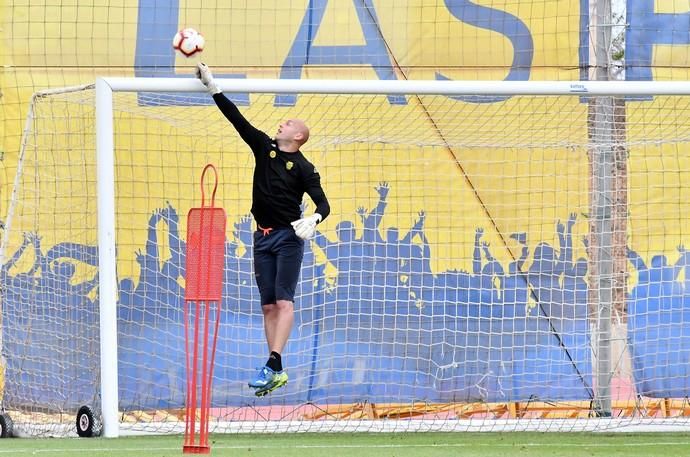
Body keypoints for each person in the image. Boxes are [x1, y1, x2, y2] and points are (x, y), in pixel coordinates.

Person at [196, 63, 330, 397]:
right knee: (268, 306)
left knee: (284, 302)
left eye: (288, 123)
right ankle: (275, 369)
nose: (281, 123)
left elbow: (323, 205)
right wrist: (212, 85)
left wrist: (314, 219)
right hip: (262, 236)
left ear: (298, 137)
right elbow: (236, 118)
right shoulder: (264, 147)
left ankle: (273, 362)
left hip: (287, 238)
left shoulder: (304, 168)